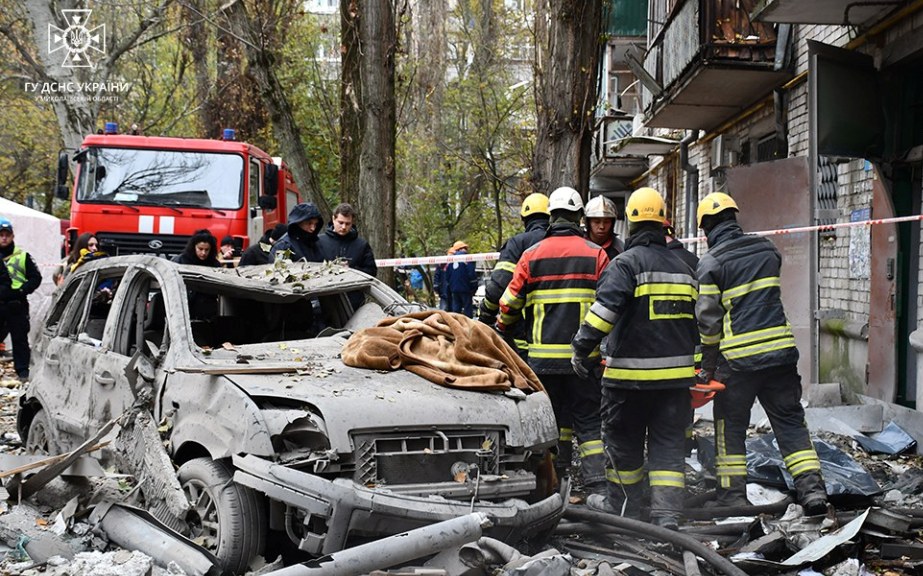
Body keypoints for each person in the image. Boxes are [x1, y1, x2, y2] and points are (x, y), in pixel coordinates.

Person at [571, 187, 698, 530]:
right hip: (675, 384)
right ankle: (667, 515)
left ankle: (626, 510)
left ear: (629, 222)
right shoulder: (686, 267)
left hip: (629, 381)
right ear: (663, 223)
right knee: (669, 448)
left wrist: (582, 349)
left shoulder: (625, 264)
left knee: (624, 446)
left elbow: (603, 314)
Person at [695, 192, 828, 514]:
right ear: (734, 219)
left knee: (730, 429)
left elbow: (708, 321)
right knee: (791, 424)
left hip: (739, 362)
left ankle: (732, 497)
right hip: (781, 355)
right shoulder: (767, 249)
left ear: (705, 229)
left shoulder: (711, 263)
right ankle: (813, 493)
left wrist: (707, 367)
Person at [499, 187, 609, 493]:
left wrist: (503, 330)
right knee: (588, 421)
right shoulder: (597, 255)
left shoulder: (530, 255)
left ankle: (556, 479)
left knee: (553, 420)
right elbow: (611, 304)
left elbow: (508, 306)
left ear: (551, 217)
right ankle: (597, 485)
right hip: (583, 359)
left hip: (542, 362)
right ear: (578, 218)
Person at [477, 193, 550, 358]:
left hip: (525, 335)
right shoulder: (564, 244)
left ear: (524, 219)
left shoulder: (519, 244)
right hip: (563, 337)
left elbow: (499, 286)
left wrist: (485, 314)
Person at [0, 217, 43, 382]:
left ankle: (23, 372)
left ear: (12, 236)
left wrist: (23, 290)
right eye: (1, 235)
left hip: (16, 304)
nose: (4, 238)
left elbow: (35, 278)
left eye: (7, 235)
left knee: (20, 340)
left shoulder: (23, 256)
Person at [318, 203, 377, 277]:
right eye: (341, 222)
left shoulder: (362, 245)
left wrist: (351, 270)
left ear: (352, 222)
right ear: (333, 219)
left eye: (347, 224)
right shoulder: (319, 242)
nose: (343, 227)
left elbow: (371, 272)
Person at [584, 195, 624, 260]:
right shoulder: (578, 246)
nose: (602, 227)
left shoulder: (620, 249)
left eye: (606, 222)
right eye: (596, 222)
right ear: (588, 223)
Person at [445, 241, 478, 317]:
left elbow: (447, 275)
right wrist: (474, 287)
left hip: (454, 289)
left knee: (456, 310)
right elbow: (471, 274)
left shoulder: (450, 260)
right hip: (466, 288)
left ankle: (456, 326)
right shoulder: (467, 258)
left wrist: (451, 286)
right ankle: (468, 327)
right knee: (467, 310)